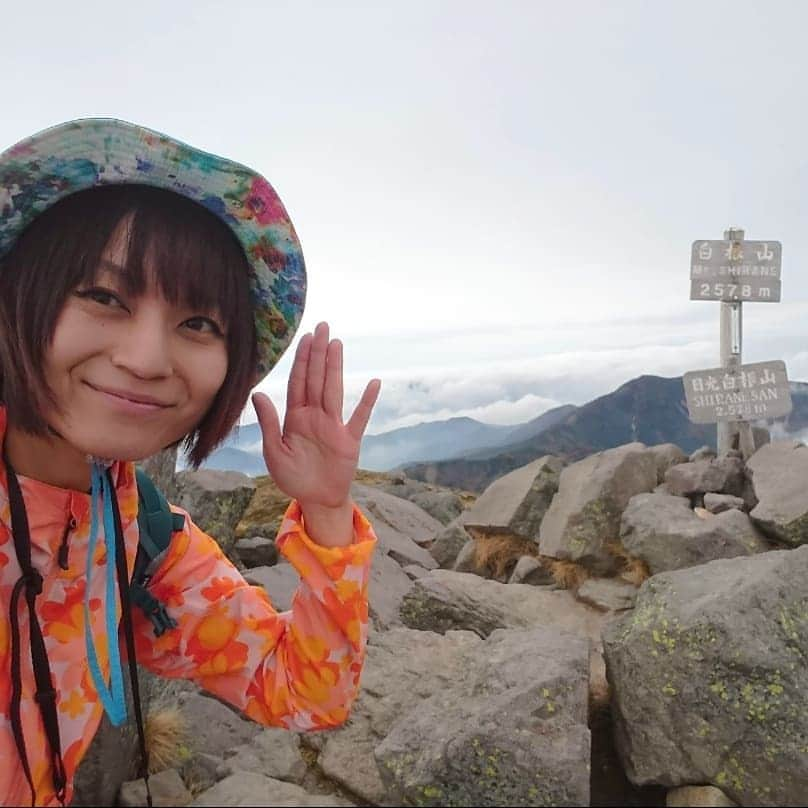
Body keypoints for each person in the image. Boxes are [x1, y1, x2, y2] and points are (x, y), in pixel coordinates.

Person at [0, 118, 381, 807]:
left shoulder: (134, 534)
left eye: (198, 324)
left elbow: (302, 689)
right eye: (104, 296)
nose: (146, 359)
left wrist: (326, 512)